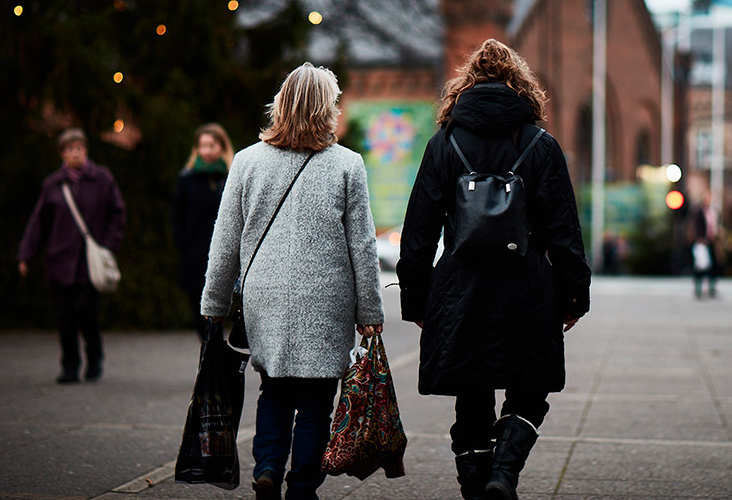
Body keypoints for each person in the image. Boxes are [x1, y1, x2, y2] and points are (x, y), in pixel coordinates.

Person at [396, 39, 591, 500]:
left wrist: (416, 300)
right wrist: (574, 297)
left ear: (464, 87)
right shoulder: (542, 147)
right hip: (528, 287)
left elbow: (418, 232)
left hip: (459, 288)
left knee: (473, 391)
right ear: (520, 86)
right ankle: (503, 475)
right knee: (530, 388)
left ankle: (476, 484)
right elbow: (565, 231)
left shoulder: (443, 144)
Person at [200, 63, 384, 500]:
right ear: (326, 109)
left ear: (280, 105)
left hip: (265, 298)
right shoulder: (347, 166)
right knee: (317, 403)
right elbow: (362, 246)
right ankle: (302, 485)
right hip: (326, 299)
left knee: (275, 389)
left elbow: (225, 240)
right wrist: (370, 312)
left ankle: (267, 467)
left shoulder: (246, 162)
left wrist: (214, 301)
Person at [17, 128, 126, 384]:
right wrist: (25, 255)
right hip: (60, 261)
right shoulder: (53, 184)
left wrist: (108, 246)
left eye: (79, 148)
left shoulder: (102, 179)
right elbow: (38, 223)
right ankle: (69, 365)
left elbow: (118, 213)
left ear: (86, 150)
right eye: (69, 149)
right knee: (64, 316)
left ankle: (94, 358)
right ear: (62, 154)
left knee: (86, 312)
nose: (75, 153)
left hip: (89, 263)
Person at [171, 122, 234, 341]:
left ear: (222, 147)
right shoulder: (187, 179)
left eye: (211, 145)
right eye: (202, 146)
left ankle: (216, 358)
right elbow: (178, 216)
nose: (206, 151)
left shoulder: (231, 177)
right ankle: (209, 357)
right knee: (198, 310)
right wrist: (184, 243)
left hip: (225, 255)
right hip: (195, 255)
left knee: (220, 310)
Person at [692, 191, 720, 298]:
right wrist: (700, 238)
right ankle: (698, 288)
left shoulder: (713, 211)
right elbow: (696, 226)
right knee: (701, 265)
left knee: (713, 265)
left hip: (712, 241)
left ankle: (712, 288)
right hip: (702, 241)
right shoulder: (699, 211)